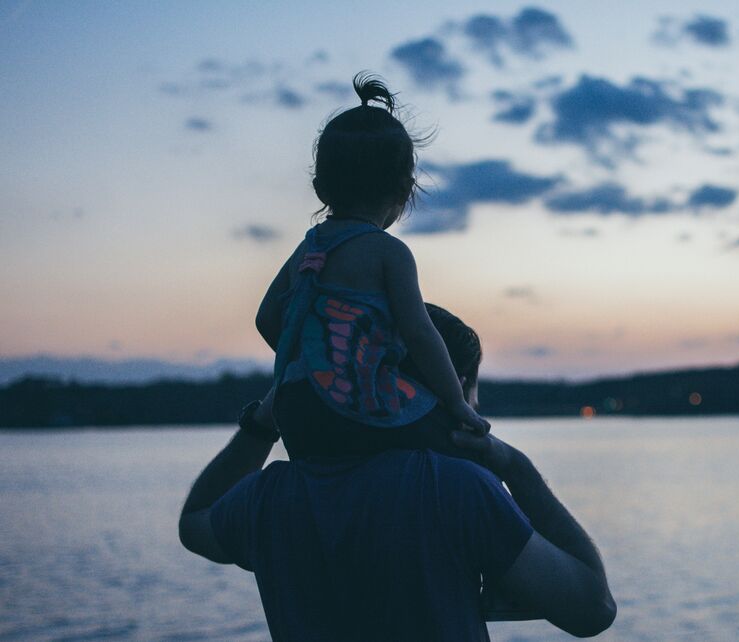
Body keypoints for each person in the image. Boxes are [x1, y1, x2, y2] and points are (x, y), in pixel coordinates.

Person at [179, 304, 617, 640]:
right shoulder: (455, 489)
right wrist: (515, 468)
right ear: (452, 391)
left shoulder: (271, 497)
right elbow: (593, 610)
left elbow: (195, 522)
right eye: (472, 399)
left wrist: (265, 419)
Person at [255, 72, 488, 463]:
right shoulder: (388, 252)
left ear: (320, 188)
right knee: (462, 447)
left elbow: (266, 319)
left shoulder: (307, 249)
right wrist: (456, 401)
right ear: (405, 190)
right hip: (357, 405)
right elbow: (419, 332)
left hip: (294, 409)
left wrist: (314, 360)